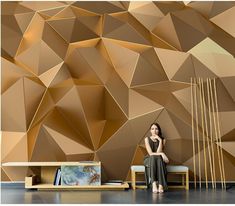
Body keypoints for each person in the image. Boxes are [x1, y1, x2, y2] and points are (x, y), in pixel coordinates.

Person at [144, 123, 169, 193]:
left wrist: (160, 140)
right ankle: (154, 184)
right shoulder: (147, 139)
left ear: (159, 130)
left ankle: (160, 185)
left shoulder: (163, 140)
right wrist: (162, 153)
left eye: (156, 129)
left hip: (159, 160)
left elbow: (158, 152)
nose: (154, 131)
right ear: (150, 131)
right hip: (148, 159)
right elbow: (150, 153)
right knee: (153, 157)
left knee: (157, 158)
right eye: (152, 129)